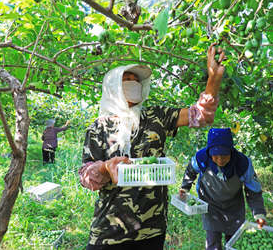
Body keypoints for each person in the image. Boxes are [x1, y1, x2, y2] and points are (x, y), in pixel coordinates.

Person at [78, 45, 226, 250]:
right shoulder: (99, 128)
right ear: (113, 87)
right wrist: (104, 168)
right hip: (110, 231)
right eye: (127, 79)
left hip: (152, 228)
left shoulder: (157, 117)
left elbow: (202, 116)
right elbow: (86, 178)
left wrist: (214, 78)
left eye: (136, 80)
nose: (133, 84)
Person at [179, 128, 267, 250]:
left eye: (225, 155)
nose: (220, 160)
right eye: (215, 156)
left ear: (231, 151)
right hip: (210, 205)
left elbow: (253, 191)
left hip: (234, 206)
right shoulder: (201, 158)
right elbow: (191, 171)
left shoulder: (243, 164)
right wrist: (185, 187)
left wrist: (259, 213)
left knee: (234, 240)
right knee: (212, 241)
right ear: (210, 152)